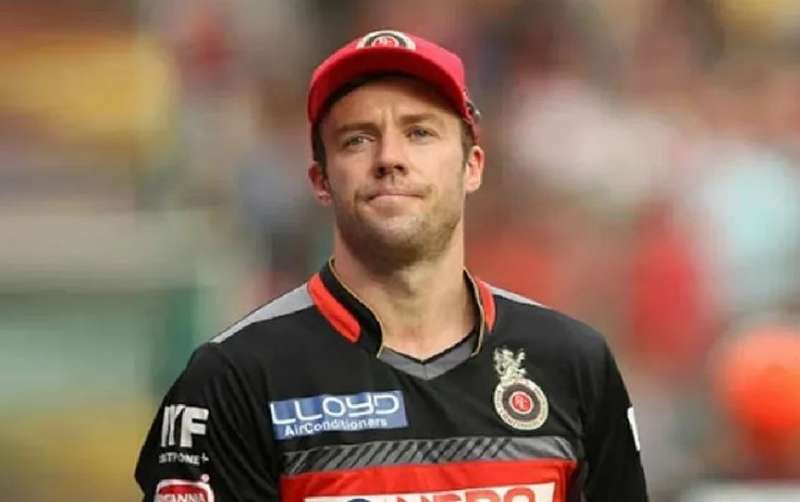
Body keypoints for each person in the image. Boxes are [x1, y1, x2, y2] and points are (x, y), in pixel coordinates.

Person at [135, 29, 649, 502]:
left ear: (472, 167)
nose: (389, 158)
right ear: (321, 181)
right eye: (357, 139)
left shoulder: (572, 363)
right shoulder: (235, 379)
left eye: (420, 132)